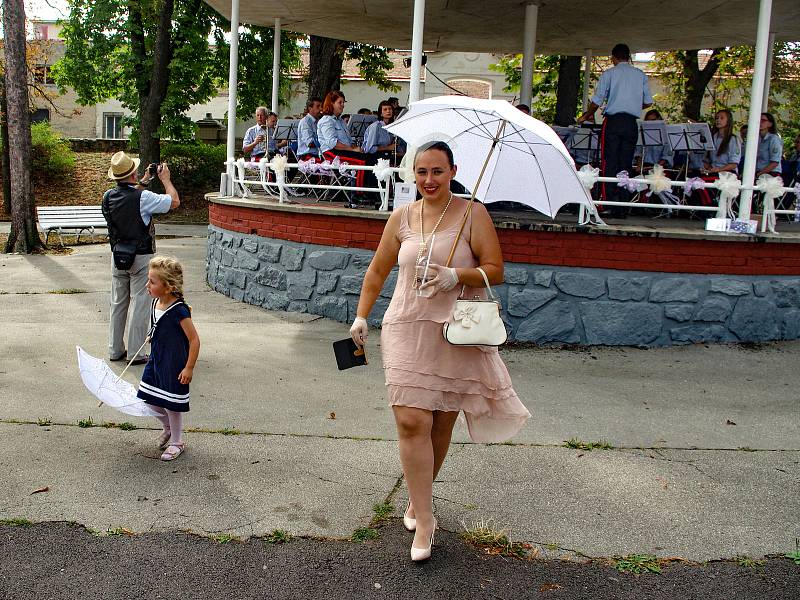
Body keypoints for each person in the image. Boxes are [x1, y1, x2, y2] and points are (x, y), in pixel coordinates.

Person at [348, 141, 530, 562]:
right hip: (406, 325)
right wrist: (361, 317)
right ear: (413, 174)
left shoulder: (472, 213)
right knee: (412, 420)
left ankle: (417, 500)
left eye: (437, 171)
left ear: (452, 172)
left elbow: (496, 271)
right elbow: (377, 271)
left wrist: (456, 275)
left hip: (454, 331)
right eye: (421, 171)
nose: (428, 180)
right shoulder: (402, 217)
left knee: (440, 425)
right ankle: (426, 519)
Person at [102, 152, 179, 365]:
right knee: (141, 304)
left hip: (117, 255)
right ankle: (136, 352)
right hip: (141, 256)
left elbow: (128, 198)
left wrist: (143, 181)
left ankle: (115, 349)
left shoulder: (107, 196)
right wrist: (166, 180)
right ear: (133, 174)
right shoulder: (143, 198)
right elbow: (174, 202)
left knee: (117, 303)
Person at [577, 43, 653, 218]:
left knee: (609, 162)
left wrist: (587, 115)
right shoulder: (640, 75)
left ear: (614, 57)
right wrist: (633, 104)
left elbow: (597, 99)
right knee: (625, 163)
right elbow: (648, 102)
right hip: (631, 123)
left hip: (613, 121)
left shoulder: (610, 73)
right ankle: (623, 205)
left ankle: (609, 203)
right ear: (629, 57)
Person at [137, 256, 200, 462]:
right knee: (150, 400)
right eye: (148, 280)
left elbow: (194, 340)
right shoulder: (156, 301)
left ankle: (177, 441)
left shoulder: (179, 310)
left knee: (172, 404)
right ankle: (168, 428)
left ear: (168, 287)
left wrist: (189, 368)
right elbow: (158, 324)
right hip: (156, 361)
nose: (147, 285)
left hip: (173, 364)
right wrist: (151, 335)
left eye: (152, 282)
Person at [318, 90, 368, 205]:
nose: (343, 105)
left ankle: (367, 191)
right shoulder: (326, 120)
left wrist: (356, 147)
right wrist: (352, 149)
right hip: (331, 153)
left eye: (343, 102)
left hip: (342, 150)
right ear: (331, 104)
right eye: (340, 102)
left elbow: (349, 141)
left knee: (367, 157)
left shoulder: (341, 121)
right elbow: (332, 143)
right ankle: (357, 195)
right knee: (360, 162)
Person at [703, 109, 741, 175]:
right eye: (717, 118)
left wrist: (719, 169)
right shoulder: (712, 137)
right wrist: (708, 169)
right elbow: (706, 160)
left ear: (728, 121)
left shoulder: (733, 139)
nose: (718, 120)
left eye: (722, 118)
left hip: (728, 174)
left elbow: (734, 164)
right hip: (714, 172)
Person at [755, 112, 782, 178]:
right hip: (759, 173)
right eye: (759, 120)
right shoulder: (757, 139)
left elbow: (775, 162)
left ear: (770, 124)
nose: (760, 122)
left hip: (771, 174)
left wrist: (759, 174)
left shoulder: (773, 139)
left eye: (763, 120)